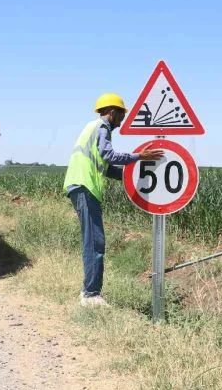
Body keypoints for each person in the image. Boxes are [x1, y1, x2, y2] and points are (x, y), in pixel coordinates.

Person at [63, 93, 163, 307]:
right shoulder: (102, 128)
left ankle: (90, 292)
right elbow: (108, 155)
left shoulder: (92, 128)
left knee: (94, 241)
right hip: (85, 186)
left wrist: (133, 178)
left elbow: (105, 167)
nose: (122, 120)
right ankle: (90, 295)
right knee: (94, 242)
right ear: (112, 112)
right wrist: (138, 157)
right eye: (121, 115)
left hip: (82, 187)